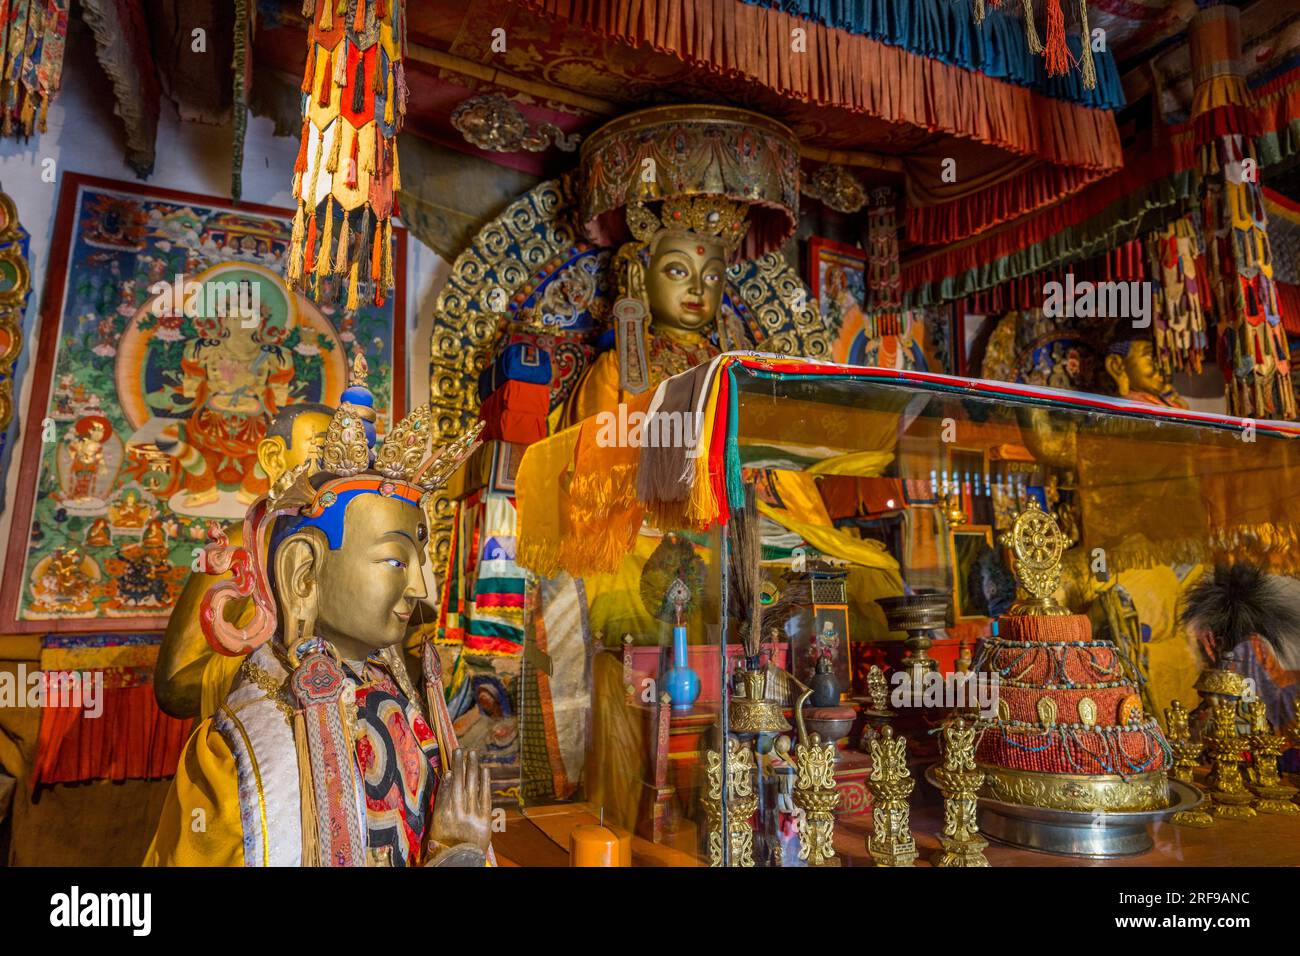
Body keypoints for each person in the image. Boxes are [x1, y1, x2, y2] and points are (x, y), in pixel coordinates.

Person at [146, 361, 491, 866]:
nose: (420, 586)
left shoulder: (392, 699)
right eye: (396, 561)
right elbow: (174, 685)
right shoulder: (242, 753)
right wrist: (266, 661)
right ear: (301, 574)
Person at [154, 401, 334, 721]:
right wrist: (274, 664)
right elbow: (175, 685)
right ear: (273, 457)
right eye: (322, 449)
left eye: (347, 455)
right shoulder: (242, 545)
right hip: (256, 737)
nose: (337, 468)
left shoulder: (340, 547)